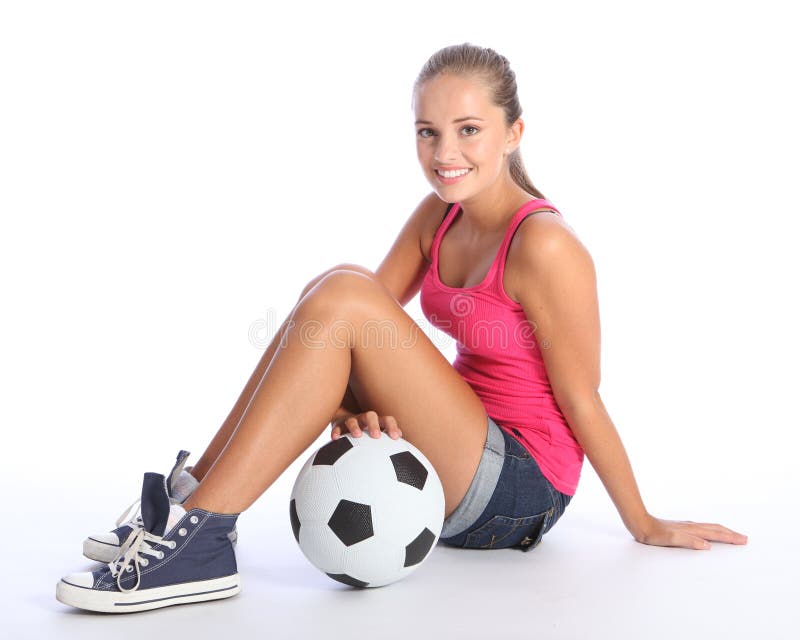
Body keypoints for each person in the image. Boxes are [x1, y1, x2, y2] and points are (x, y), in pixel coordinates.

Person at [56, 42, 748, 613]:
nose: (445, 152)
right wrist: (352, 404)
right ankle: (191, 500)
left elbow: (582, 397)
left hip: (521, 487)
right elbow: (337, 330)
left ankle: (201, 534)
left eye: (469, 129)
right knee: (331, 284)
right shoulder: (438, 214)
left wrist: (643, 521)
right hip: (463, 436)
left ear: (514, 133)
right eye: (428, 131)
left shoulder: (546, 246)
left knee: (344, 296)